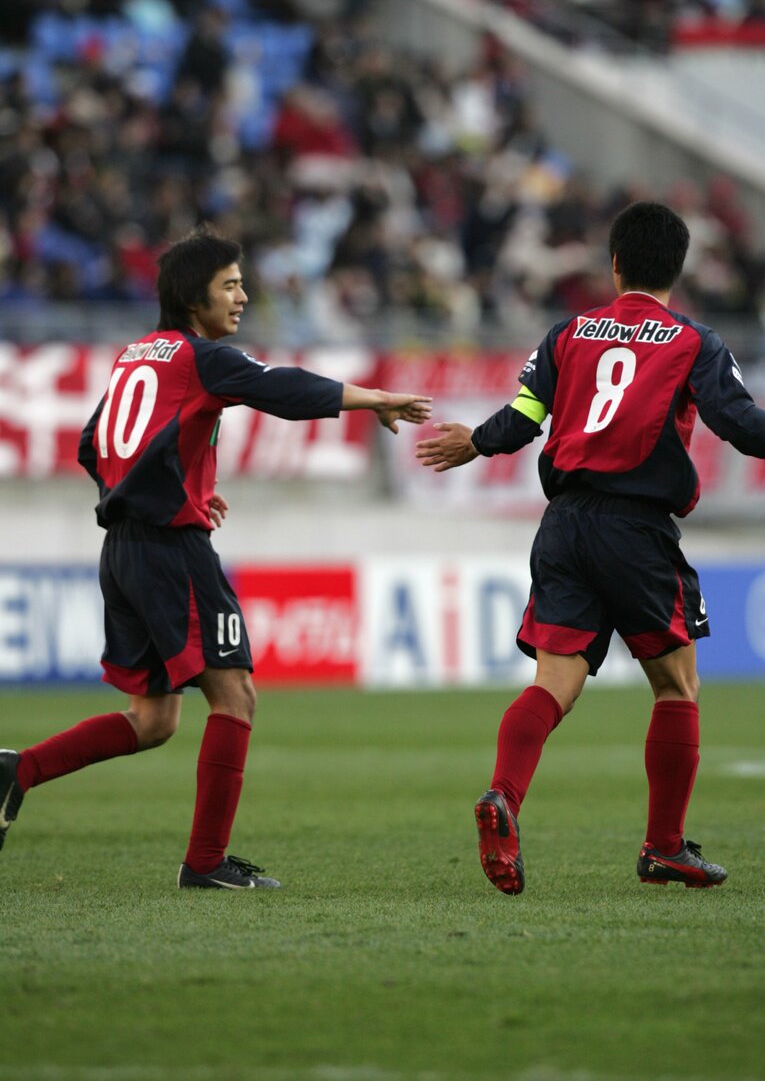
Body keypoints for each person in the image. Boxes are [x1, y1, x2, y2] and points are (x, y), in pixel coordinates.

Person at [0, 226, 431, 890]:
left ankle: (17, 770)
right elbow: (279, 388)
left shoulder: (137, 355)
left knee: (154, 719)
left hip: (123, 548)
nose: (242, 296)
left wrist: (177, 482)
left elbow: (94, 443)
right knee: (236, 693)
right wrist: (371, 396)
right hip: (172, 551)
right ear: (191, 296)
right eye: (229, 284)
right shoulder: (201, 356)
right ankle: (205, 863)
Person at [416, 200, 765, 894]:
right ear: (678, 267)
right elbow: (742, 426)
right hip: (635, 529)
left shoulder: (567, 333)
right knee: (676, 683)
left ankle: (503, 796)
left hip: (564, 523)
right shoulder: (692, 341)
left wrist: (473, 441)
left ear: (613, 265)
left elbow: (519, 420)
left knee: (553, 682)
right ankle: (663, 847)